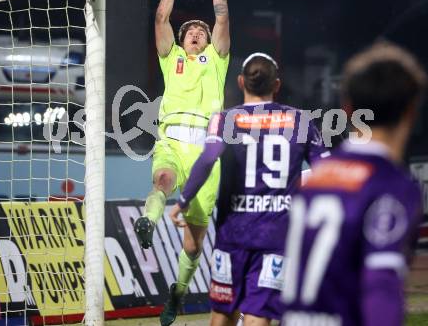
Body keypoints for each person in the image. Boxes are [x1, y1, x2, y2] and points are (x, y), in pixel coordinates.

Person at [170, 53, 330, 326]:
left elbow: (207, 159)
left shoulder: (224, 120)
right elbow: (327, 173)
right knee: (259, 315)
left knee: (222, 314)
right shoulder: (301, 121)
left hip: (234, 234)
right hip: (276, 236)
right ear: (276, 85)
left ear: (241, 82)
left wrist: (183, 200)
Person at [280, 42, 427, 326]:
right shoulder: (391, 184)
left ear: (347, 110)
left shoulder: (315, 179)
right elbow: (380, 287)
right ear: (411, 112)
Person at [133, 0, 230, 326]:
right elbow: (160, 20)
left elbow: (222, 18)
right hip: (171, 138)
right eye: (189, 29)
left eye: (199, 31)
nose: (193, 32)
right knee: (162, 179)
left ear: (207, 41)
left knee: (195, 240)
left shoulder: (216, 62)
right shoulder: (171, 56)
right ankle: (148, 222)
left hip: (207, 151)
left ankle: (177, 292)